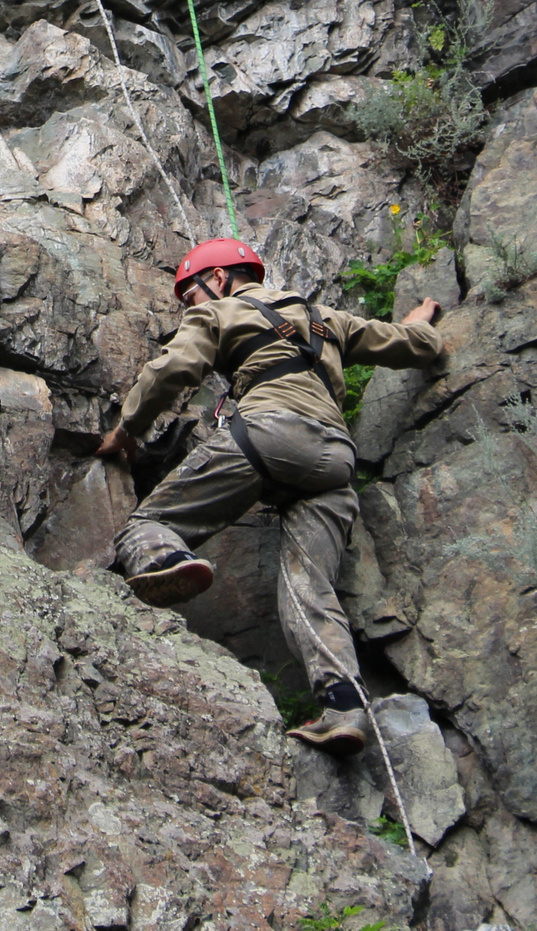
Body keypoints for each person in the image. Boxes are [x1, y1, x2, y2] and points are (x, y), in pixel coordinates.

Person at [96, 238, 444, 751]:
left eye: (191, 295)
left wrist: (125, 434)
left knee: (145, 525)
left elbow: (170, 372)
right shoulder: (325, 317)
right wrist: (422, 320)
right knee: (310, 592)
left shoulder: (219, 311)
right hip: (334, 462)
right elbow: (417, 345)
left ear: (217, 280)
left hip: (269, 433)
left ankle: (164, 557)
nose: (193, 305)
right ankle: (344, 709)